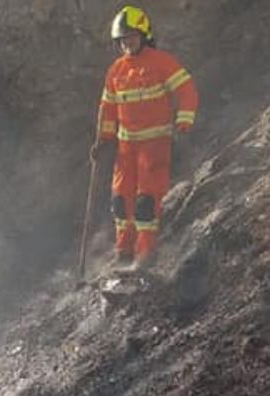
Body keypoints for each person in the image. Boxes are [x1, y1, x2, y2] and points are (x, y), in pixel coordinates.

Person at [91, 6, 199, 270]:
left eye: (132, 37)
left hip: (155, 145)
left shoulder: (161, 62)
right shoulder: (115, 70)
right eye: (123, 39)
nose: (127, 43)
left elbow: (187, 91)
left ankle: (145, 255)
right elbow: (108, 108)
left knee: (145, 204)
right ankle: (123, 252)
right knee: (120, 202)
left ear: (144, 35)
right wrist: (103, 139)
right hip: (125, 148)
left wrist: (183, 123)